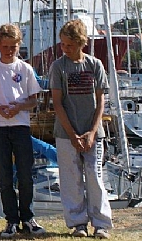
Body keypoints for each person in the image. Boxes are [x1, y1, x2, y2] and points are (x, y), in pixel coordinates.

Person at [0, 23, 45, 238]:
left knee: (25, 174)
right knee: (5, 175)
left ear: (19, 46)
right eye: (5, 46)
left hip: (20, 126)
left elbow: (34, 100)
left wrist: (18, 107)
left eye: (13, 46)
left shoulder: (25, 69)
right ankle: (11, 219)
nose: (9, 50)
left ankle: (28, 216)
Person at [49, 19, 112, 238]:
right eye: (63, 45)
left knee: (94, 176)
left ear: (81, 43)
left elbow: (100, 101)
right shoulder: (58, 67)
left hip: (93, 132)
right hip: (66, 133)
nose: (65, 49)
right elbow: (58, 102)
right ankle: (78, 223)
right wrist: (72, 134)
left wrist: (92, 132)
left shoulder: (95, 65)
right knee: (71, 178)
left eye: (69, 45)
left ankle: (101, 222)